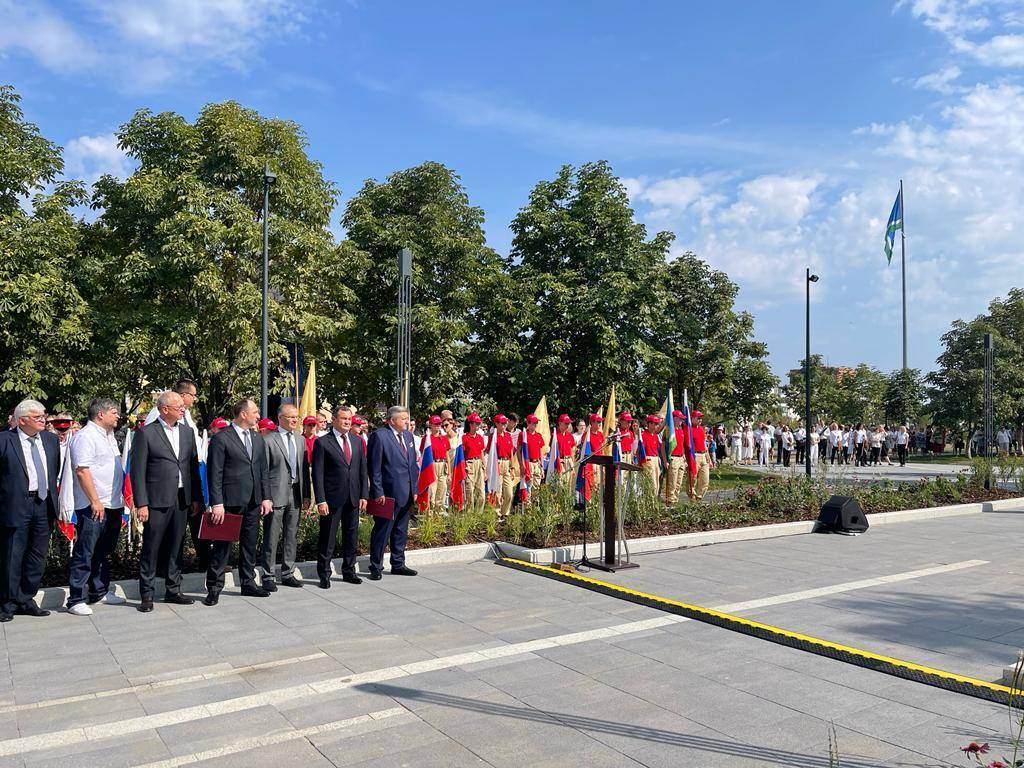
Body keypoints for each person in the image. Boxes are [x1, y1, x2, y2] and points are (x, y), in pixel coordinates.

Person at [131, 390, 203, 612]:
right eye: (179, 406)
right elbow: (137, 471)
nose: (183, 409)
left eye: (183, 406)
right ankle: (147, 594)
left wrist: (196, 498)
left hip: (182, 499)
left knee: (176, 546)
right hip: (157, 500)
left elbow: (192, 467)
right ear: (164, 409)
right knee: (152, 547)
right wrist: (141, 503)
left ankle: (173, 589)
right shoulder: (147, 433)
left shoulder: (187, 432)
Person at [205, 398, 273, 605]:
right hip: (229, 501)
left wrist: (266, 497)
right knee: (222, 546)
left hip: (253, 500)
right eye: (254, 412)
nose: (258, 416)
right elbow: (214, 473)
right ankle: (214, 587)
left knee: (249, 545)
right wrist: (217, 503)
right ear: (243, 414)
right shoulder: (222, 438)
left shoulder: (257, 438)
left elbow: (263, 470)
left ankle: (248, 583)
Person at [66, 398, 128, 616]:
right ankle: (75, 598)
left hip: (113, 503)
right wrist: (95, 500)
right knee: (85, 550)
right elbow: (82, 470)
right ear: (100, 414)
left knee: (103, 549)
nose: (117, 416)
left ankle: (98, 591)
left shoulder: (109, 436)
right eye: (114, 412)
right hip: (93, 504)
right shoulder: (85, 437)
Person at [0, 400, 60, 622]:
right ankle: (7, 602)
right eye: (37, 417)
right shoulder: (5, 440)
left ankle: (26, 598)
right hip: (16, 504)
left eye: (44, 415)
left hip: (43, 504)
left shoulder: (51, 440)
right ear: (22, 419)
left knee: (37, 554)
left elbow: (55, 470)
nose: (43, 420)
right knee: (12, 554)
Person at [311, 405, 368, 588]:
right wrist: (321, 500)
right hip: (332, 499)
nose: (347, 422)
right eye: (343, 418)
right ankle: (324, 574)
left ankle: (349, 571)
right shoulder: (322, 442)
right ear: (334, 420)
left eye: (349, 419)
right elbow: (317, 474)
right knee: (328, 538)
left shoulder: (357, 441)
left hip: (353, 497)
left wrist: (364, 495)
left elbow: (361, 470)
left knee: (351, 536)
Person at [366, 405, 419, 580]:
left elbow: (412, 465)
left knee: (401, 530)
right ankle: (376, 566)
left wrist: (415, 489)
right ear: (392, 419)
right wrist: (378, 491)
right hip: (387, 494)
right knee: (383, 530)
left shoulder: (409, 436)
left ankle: (398, 563)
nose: (407, 421)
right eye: (403, 418)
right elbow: (374, 468)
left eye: (407, 418)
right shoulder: (379, 436)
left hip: (407, 492)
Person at [260, 404, 309, 592]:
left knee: (291, 534)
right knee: (271, 536)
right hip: (275, 494)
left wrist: (306, 494)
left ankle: (288, 572)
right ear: (280, 418)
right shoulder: (269, 440)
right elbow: (264, 471)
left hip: (295, 493)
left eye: (297, 417)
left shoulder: (300, 439)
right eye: (290, 417)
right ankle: (268, 575)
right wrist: (266, 496)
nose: (295, 420)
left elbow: (304, 469)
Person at [490, 414, 516, 518]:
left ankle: (505, 513)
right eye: (502, 423)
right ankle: (497, 513)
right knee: (497, 492)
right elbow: (490, 453)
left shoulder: (508, 436)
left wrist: (512, 467)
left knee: (509, 493)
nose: (505, 425)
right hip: (498, 463)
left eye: (506, 423)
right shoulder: (493, 436)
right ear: (496, 423)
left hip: (507, 464)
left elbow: (510, 452)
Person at [422, 415, 451, 509]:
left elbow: (447, 457)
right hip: (432, 465)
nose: (438, 426)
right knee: (431, 493)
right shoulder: (426, 439)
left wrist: (449, 473)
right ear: (430, 425)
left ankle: (438, 517)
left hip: (442, 466)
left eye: (439, 424)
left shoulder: (444, 439)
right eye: (435, 424)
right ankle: (429, 518)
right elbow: (423, 456)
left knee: (441, 493)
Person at [461, 413, 487, 513]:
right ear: (471, 424)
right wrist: (464, 468)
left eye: (478, 423)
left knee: (481, 492)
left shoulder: (480, 437)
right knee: (469, 491)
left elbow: (481, 453)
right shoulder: (464, 438)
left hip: (479, 464)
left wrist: (485, 469)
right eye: (476, 423)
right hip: (469, 464)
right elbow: (462, 455)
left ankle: (479, 514)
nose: (478, 425)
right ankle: (469, 514)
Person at [685, 410, 711, 501]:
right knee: (693, 478)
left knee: (705, 479)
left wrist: (708, 457)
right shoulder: (688, 429)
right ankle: (692, 496)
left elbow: (704, 444)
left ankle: (699, 497)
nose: (700, 420)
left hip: (703, 455)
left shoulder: (701, 429)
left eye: (701, 418)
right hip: (694, 456)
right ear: (692, 418)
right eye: (698, 418)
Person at [666, 410, 687, 504]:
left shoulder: (681, 430)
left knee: (679, 482)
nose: (681, 421)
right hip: (673, 458)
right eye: (680, 419)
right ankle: (670, 501)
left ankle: (675, 500)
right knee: (672, 482)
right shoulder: (669, 430)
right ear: (674, 419)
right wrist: (666, 460)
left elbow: (682, 444)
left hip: (681, 458)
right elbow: (663, 445)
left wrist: (684, 457)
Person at [638, 415, 663, 496]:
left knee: (656, 481)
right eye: (655, 424)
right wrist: (640, 462)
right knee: (652, 482)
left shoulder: (655, 436)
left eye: (657, 424)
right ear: (650, 424)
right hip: (648, 459)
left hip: (655, 459)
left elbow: (657, 448)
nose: (657, 426)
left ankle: (654, 499)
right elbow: (639, 451)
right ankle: (650, 499)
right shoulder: (644, 435)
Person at [554, 414, 578, 481]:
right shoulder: (555, 435)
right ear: (560, 423)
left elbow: (572, 452)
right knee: (561, 482)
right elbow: (553, 452)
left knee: (568, 483)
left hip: (569, 460)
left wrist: (572, 465)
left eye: (568, 423)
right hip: (560, 461)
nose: (568, 425)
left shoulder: (570, 436)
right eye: (566, 423)